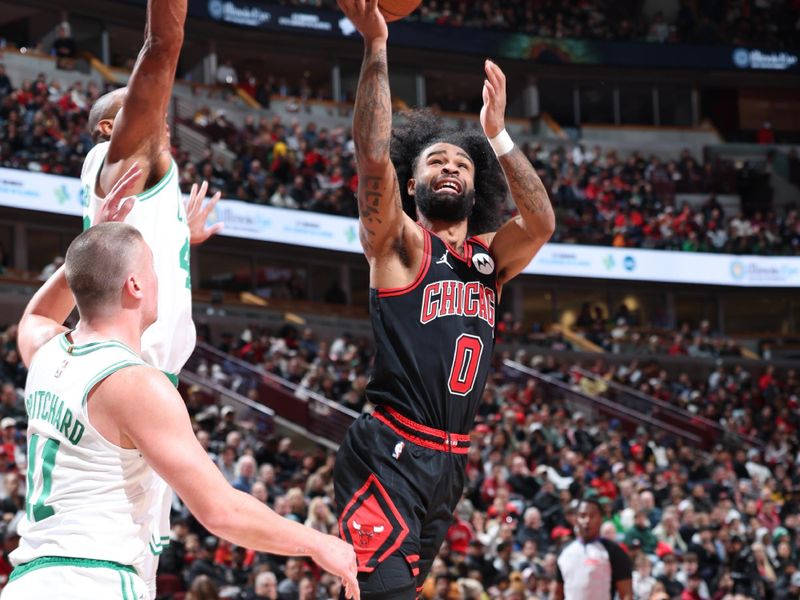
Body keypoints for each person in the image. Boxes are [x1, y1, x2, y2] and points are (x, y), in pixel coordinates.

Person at [2, 218, 359, 599]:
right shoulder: (134, 382)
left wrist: (89, 257)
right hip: (95, 581)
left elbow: (36, 317)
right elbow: (222, 512)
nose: (159, 279)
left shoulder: (46, 353)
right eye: (152, 267)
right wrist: (320, 544)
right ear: (135, 285)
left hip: (27, 582)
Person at [333, 1, 555, 597]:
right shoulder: (400, 244)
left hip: (450, 463)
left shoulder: (490, 260)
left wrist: (498, 136)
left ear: (475, 183)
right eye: (436, 161)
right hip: (390, 449)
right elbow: (372, 155)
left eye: (461, 162)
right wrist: (377, 47)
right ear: (412, 183)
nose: (451, 167)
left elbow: (540, 223)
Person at [80, 0, 223, 595]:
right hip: (133, 375)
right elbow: (159, 48)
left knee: (140, 554)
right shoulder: (122, 158)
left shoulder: (139, 187)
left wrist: (180, 237)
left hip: (148, 374)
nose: (158, 115)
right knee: (122, 553)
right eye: (135, 108)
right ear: (113, 128)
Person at [554, 499, 633, 600]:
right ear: (575, 519)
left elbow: (626, 595)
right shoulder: (564, 551)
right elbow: (557, 593)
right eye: (582, 516)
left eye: (592, 516)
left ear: (601, 519)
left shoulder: (614, 552)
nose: (587, 520)